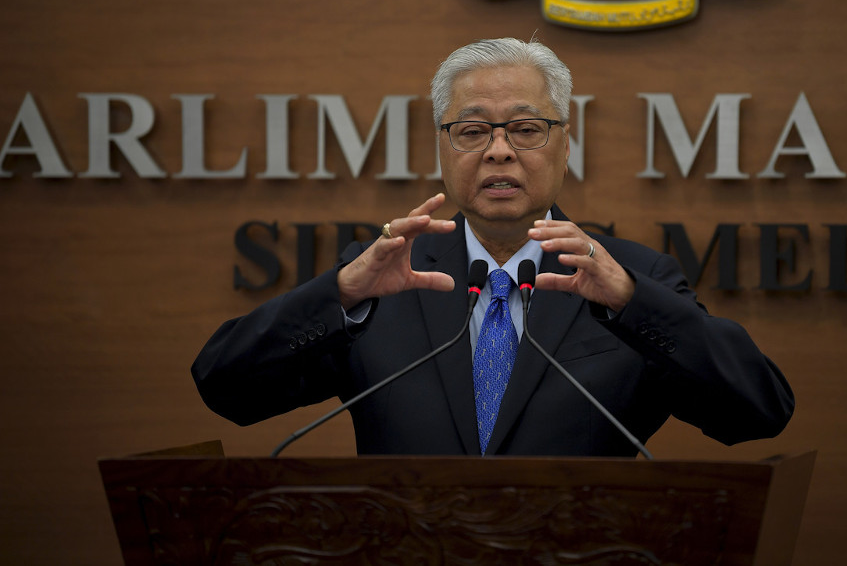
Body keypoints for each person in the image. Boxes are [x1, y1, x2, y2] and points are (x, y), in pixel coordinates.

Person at [192, 37, 794, 457]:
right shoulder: (383, 276)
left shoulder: (631, 278)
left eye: (527, 129)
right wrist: (340, 294)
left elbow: (758, 413)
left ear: (565, 144)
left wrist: (633, 305)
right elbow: (226, 389)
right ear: (443, 148)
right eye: (472, 130)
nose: (499, 151)